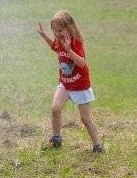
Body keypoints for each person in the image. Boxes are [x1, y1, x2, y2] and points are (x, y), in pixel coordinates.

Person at [36, 10, 103, 153]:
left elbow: (81, 63)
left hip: (80, 85)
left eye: (59, 30)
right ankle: (56, 139)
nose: (57, 34)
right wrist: (44, 36)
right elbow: (54, 47)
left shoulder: (75, 43)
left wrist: (69, 49)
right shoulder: (60, 41)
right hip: (66, 83)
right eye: (54, 31)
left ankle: (97, 146)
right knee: (55, 109)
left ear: (70, 27)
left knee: (85, 119)